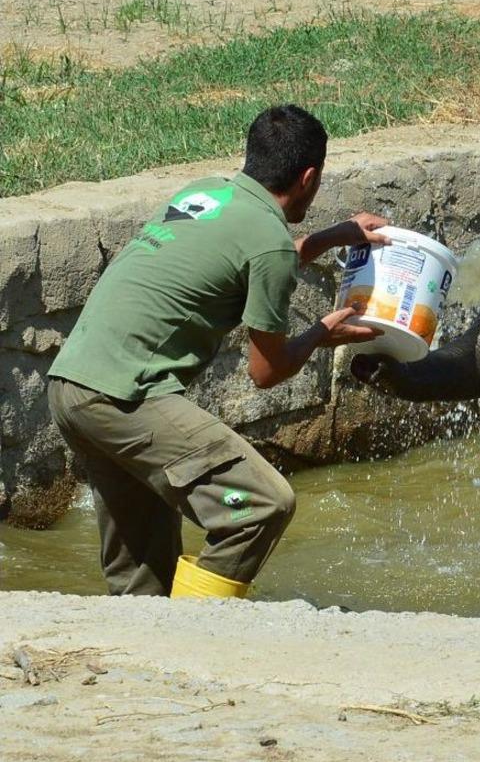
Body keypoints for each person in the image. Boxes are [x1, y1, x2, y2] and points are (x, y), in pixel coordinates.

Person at [47, 104, 388, 599]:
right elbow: (266, 372)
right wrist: (320, 333)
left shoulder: (206, 192)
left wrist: (332, 236)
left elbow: (242, 254)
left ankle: (149, 650)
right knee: (262, 504)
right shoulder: (268, 241)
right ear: (309, 177)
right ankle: (199, 632)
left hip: (72, 386)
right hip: (128, 395)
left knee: (144, 572)